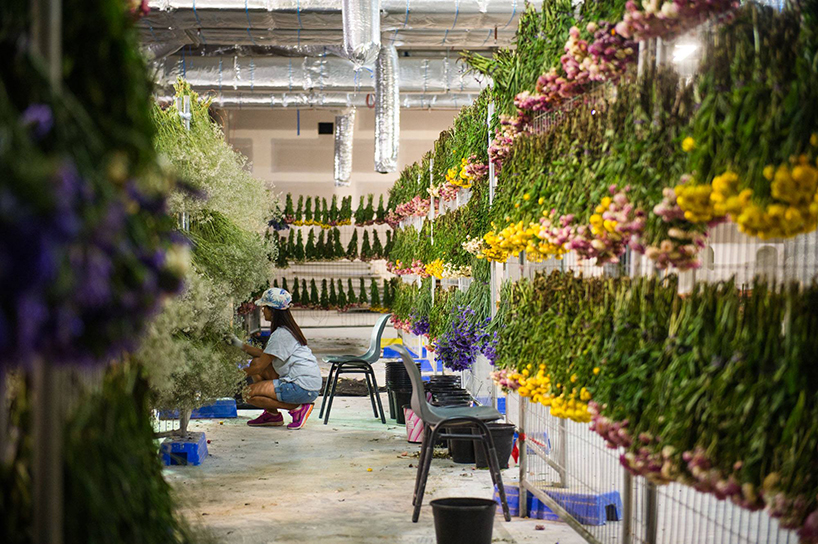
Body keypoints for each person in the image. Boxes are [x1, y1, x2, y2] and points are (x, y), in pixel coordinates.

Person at [229, 288, 322, 429]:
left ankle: (296, 409)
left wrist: (232, 376)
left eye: (265, 307)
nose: (262, 311)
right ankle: (272, 415)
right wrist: (238, 344)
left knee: (248, 394)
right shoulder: (287, 330)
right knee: (255, 362)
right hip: (308, 384)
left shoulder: (280, 334)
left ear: (273, 310)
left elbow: (259, 367)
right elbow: (263, 355)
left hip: (300, 386)